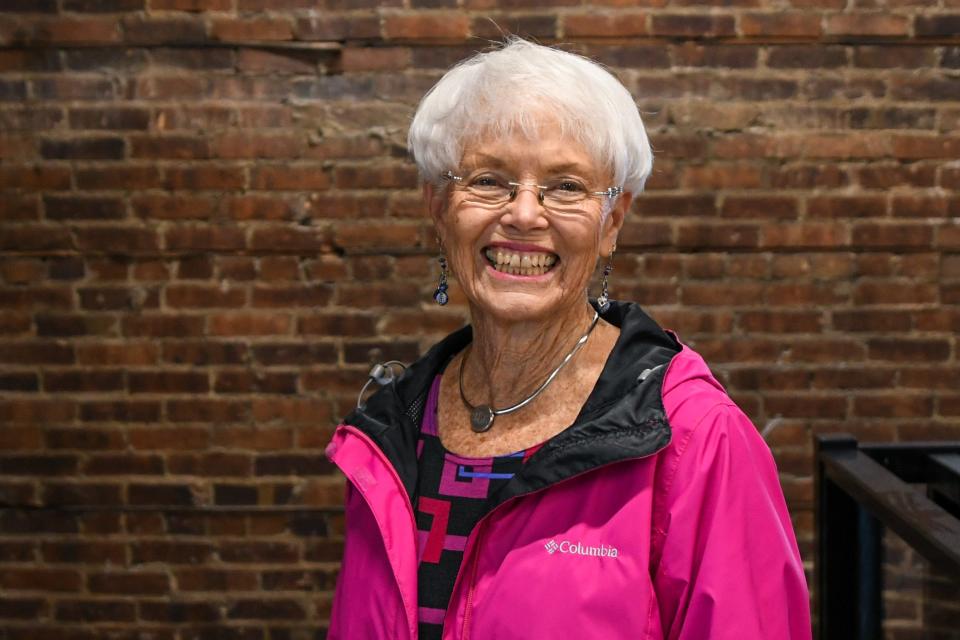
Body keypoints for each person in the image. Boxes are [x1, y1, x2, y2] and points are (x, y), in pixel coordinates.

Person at [325, 37, 811, 639]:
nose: (525, 215)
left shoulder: (694, 439)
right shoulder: (391, 431)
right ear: (438, 205)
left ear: (613, 223)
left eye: (566, 187)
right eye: (488, 179)